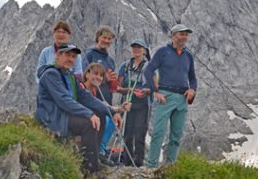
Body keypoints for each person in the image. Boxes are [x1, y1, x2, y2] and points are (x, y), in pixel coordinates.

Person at [35, 44, 111, 174]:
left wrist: (112, 111)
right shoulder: (51, 74)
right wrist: (88, 114)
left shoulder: (68, 75)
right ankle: (91, 170)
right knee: (89, 124)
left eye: (73, 56)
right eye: (67, 55)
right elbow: (64, 101)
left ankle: (94, 159)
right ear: (58, 56)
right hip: (52, 117)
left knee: (101, 117)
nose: (71, 59)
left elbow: (86, 97)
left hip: (63, 115)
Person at [143, 24, 197, 168]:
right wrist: (155, 91)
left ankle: (171, 166)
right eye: (181, 34)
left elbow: (193, 78)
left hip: (182, 98)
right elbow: (148, 70)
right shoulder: (162, 52)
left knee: (177, 135)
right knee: (158, 132)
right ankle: (151, 166)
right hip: (165, 95)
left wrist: (193, 90)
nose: (184, 37)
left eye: (186, 34)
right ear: (173, 35)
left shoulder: (188, 56)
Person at [83, 26, 120, 156]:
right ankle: (95, 153)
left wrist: (113, 83)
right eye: (104, 37)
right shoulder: (90, 54)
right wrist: (105, 78)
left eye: (109, 39)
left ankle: (101, 152)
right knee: (100, 125)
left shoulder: (110, 60)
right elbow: (85, 75)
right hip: (94, 97)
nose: (106, 41)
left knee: (110, 124)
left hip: (107, 97)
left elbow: (111, 83)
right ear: (98, 38)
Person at [116, 38, 151, 166]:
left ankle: (138, 162)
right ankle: (127, 161)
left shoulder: (149, 67)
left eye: (139, 47)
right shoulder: (125, 66)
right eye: (134, 47)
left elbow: (154, 87)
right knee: (127, 133)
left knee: (140, 132)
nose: (136, 49)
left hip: (143, 104)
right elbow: (117, 87)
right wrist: (128, 90)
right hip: (127, 103)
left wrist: (145, 92)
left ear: (144, 51)